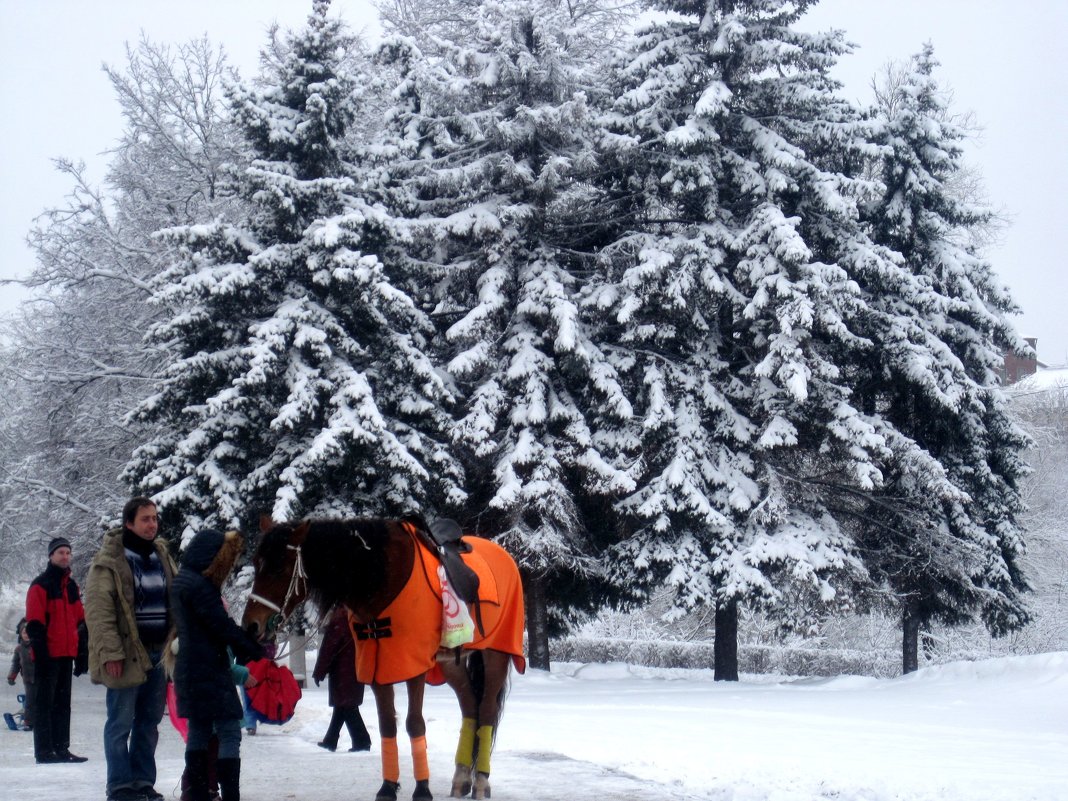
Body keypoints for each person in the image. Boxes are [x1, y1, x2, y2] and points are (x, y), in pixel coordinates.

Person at [85, 497, 177, 801]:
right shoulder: (109, 561)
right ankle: (120, 785)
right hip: (127, 654)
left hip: (159, 653)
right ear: (129, 523)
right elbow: (99, 612)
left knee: (149, 723)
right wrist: (111, 653)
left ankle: (142, 783)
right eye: (145, 519)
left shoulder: (161, 555)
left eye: (154, 518)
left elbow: (175, 597)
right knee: (120, 722)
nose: (152, 524)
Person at [172, 528, 264, 801]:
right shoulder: (201, 587)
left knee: (199, 731)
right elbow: (219, 626)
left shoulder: (181, 581)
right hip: (209, 669)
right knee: (228, 731)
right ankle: (230, 794)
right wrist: (251, 647)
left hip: (189, 668)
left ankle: (198, 791)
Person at [25, 536, 89, 763]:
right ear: (51, 556)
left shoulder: (71, 586)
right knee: (45, 704)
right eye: (60, 552)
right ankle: (44, 751)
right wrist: (40, 655)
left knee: (63, 704)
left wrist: (82, 654)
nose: (65, 556)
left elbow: (80, 622)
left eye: (67, 552)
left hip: (66, 654)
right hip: (48, 655)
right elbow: (34, 623)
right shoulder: (40, 585)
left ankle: (62, 748)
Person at [313, 606, 371, 753]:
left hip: (342, 670)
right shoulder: (356, 614)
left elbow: (329, 646)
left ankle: (362, 741)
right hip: (355, 667)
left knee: (348, 707)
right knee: (342, 706)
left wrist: (319, 670)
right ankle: (331, 740)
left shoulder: (340, 617)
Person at [7, 617, 35, 730]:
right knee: (30, 701)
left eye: (28, 632)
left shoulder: (38, 646)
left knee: (41, 700)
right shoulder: (19, 649)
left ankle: (43, 721)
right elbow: (15, 664)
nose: (26, 634)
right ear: (21, 634)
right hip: (28, 679)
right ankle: (29, 722)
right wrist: (11, 677)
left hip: (41, 678)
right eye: (24, 632)